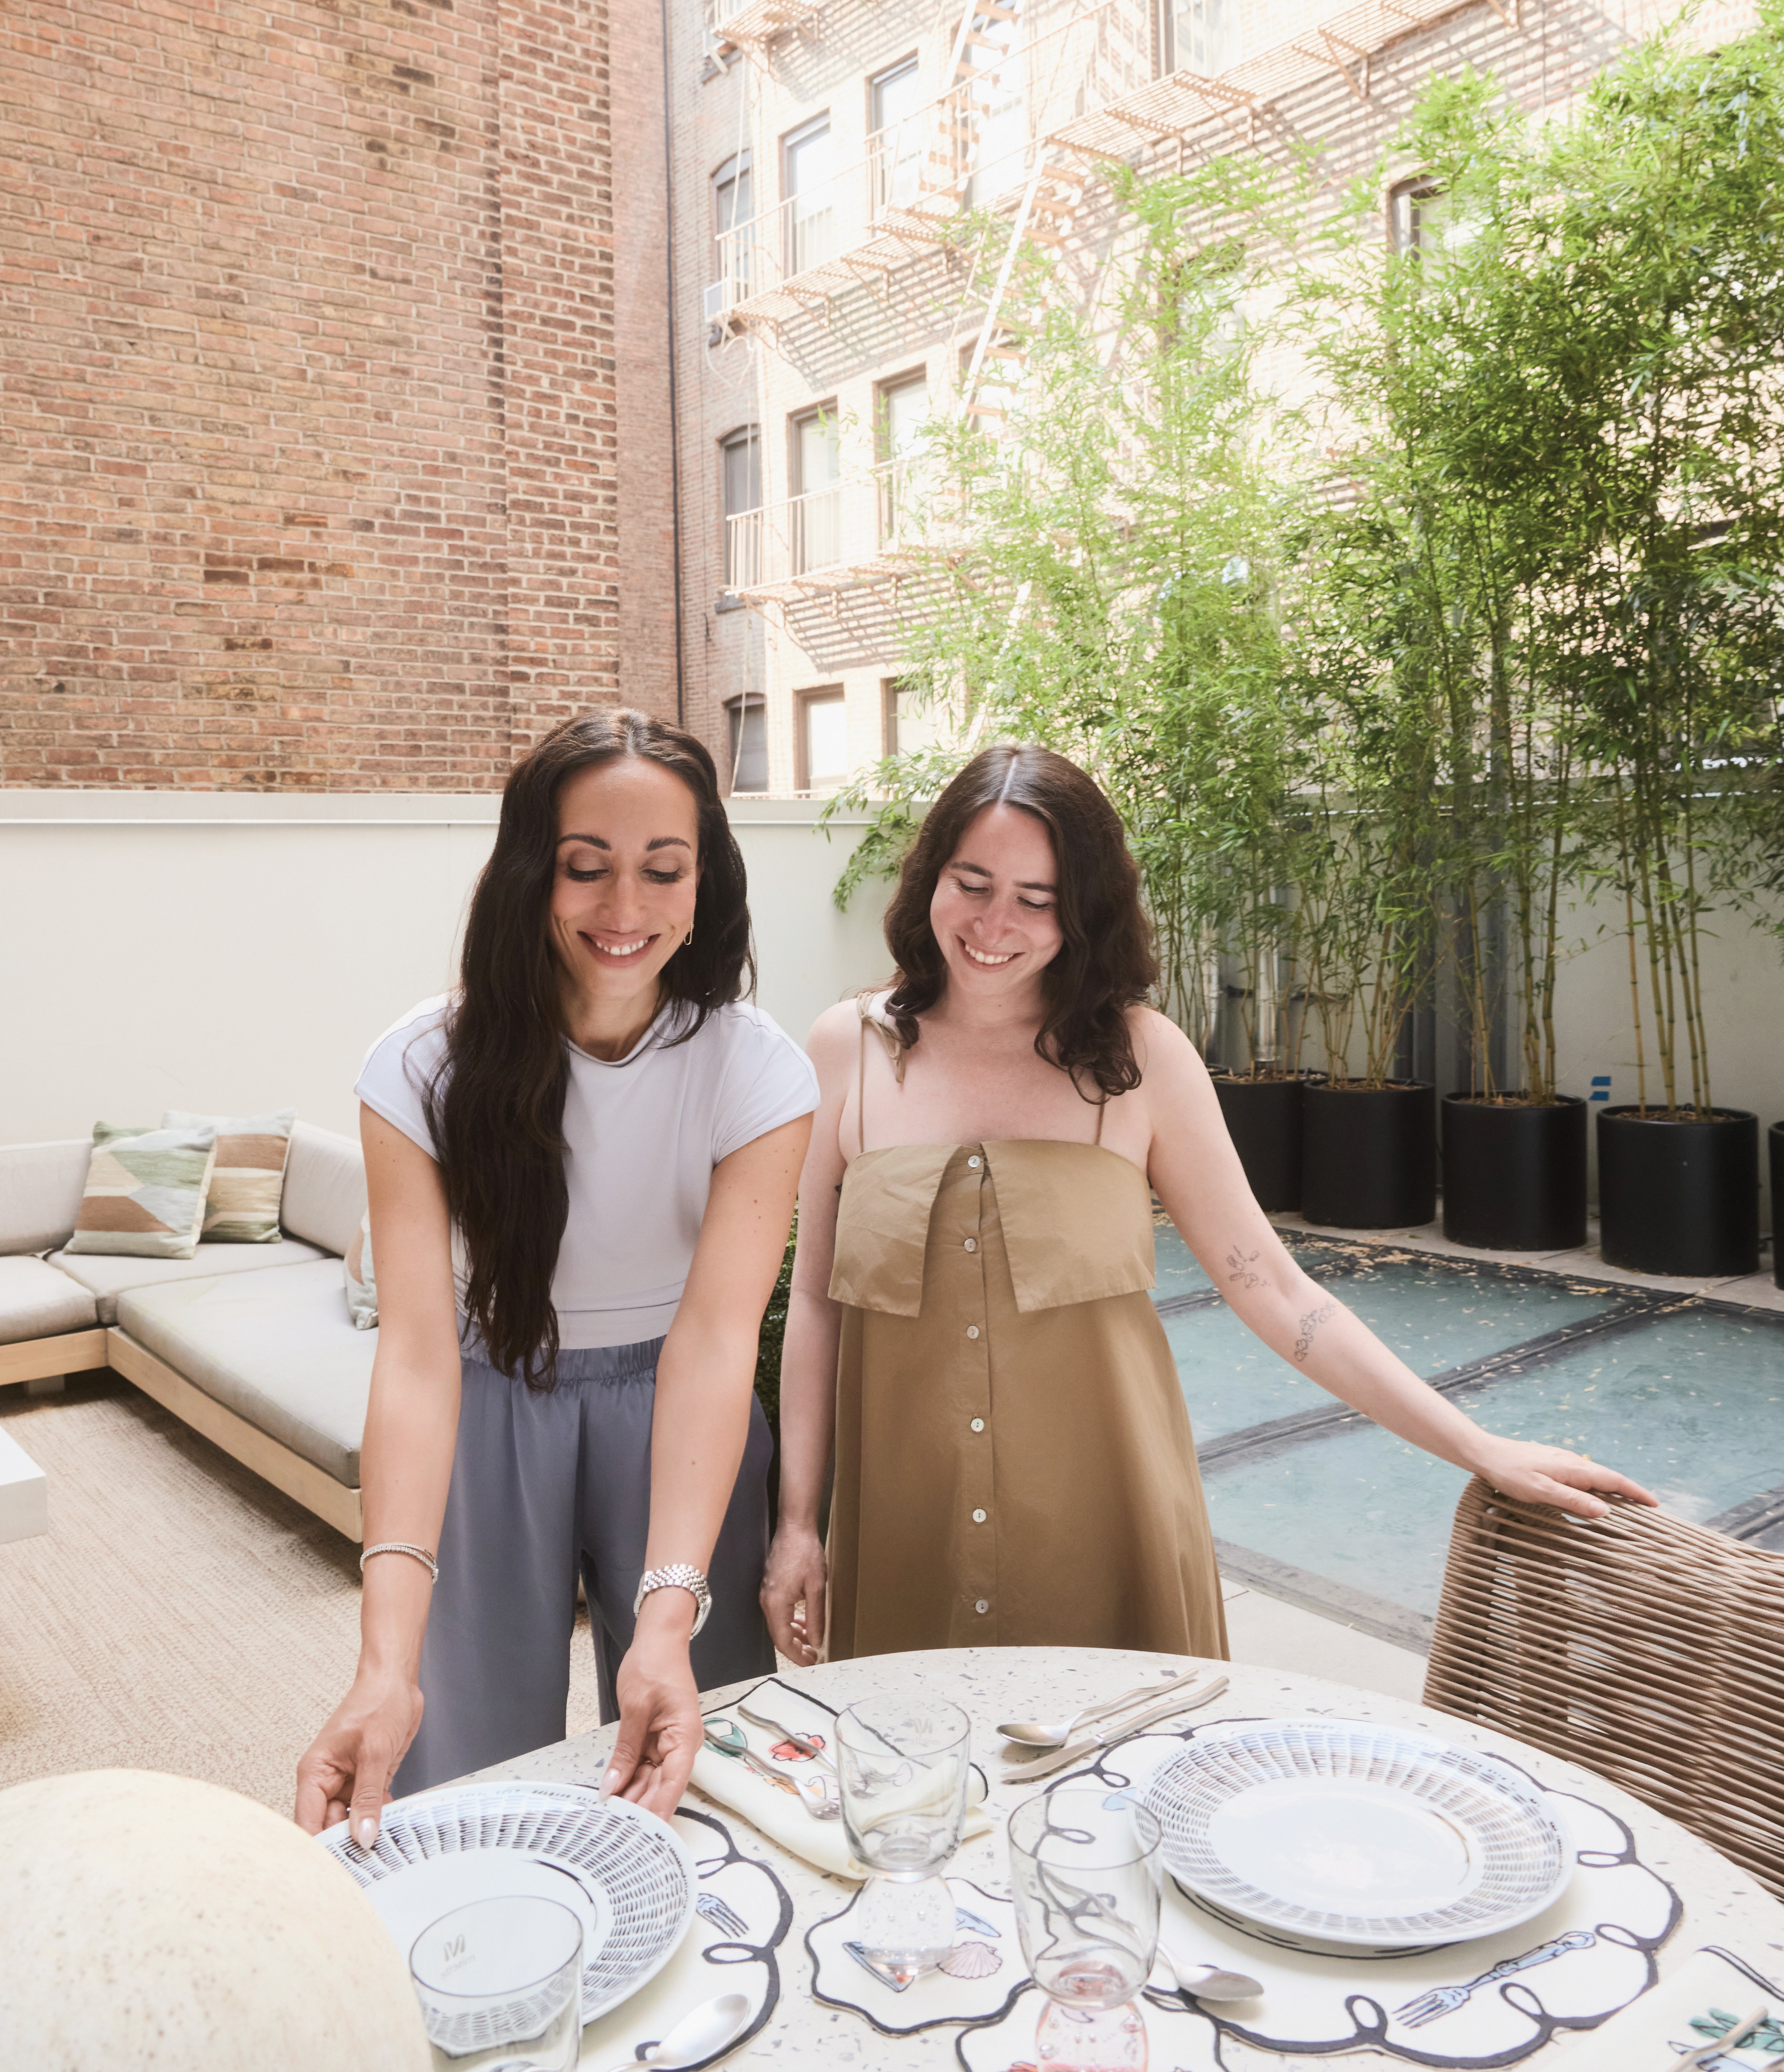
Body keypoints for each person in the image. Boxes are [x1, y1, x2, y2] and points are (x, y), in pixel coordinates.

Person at [760, 742, 1652, 1666]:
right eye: (972, 883)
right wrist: (797, 1525)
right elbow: (819, 1303)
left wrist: (1475, 1445)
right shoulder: (849, 1050)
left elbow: (1272, 1286)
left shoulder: (1141, 1059)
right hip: (905, 1523)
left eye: (1037, 899)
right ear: (928, 879)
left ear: (1085, 911)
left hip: (1109, 1529)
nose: (995, 924)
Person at [296, 709, 817, 1843]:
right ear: (534, 873)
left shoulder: (757, 1069)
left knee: (697, 1752)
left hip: (680, 1413)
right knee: (461, 1765)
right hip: (489, 1406)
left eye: (661, 870)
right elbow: (422, 1356)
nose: (624, 911)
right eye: (587, 869)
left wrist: (668, 1616)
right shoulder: (420, 1067)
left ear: (704, 881)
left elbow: (719, 1342)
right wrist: (383, 1658)